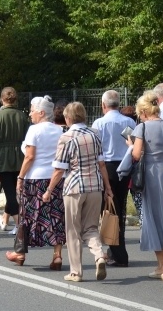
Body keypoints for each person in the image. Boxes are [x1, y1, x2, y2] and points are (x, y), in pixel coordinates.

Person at [46, 102, 114, 281]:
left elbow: (59, 169)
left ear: (68, 118)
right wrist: (107, 188)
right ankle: (99, 255)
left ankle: (76, 271)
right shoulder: (95, 134)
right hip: (95, 186)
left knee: (73, 231)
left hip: (74, 187)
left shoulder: (66, 137)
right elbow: (101, 164)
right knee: (91, 227)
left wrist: (48, 190)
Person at [5, 96, 65, 269]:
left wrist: (20, 176)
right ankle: (57, 255)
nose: (30, 113)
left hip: (35, 178)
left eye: (32, 110)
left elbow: (30, 156)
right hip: (55, 178)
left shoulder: (34, 130)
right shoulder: (59, 131)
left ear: (41, 112)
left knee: (27, 215)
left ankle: (20, 253)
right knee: (56, 216)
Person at [128, 91, 163, 278]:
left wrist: (130, 145)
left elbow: (136, 155)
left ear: (143, 111)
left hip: (152, 175)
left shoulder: (142, 128)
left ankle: (162, 265)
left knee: (153, 217)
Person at [92, 90, 136, 267]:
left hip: (107, 167)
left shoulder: (99, 123)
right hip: (125, 165)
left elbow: (96, 148)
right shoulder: (129, 121)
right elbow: (133, 143)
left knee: (110, 210)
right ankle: (115, 249)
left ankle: (118, 253)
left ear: (103, 105)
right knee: (120, 208)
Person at [0, 86, 29, 234]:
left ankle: (19, 224)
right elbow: (26, 138)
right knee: (15, 191)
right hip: (20, 156)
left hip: (2, 157)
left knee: (10, 192)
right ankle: (6, 220)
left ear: (2, 99)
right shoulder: (22, 116)